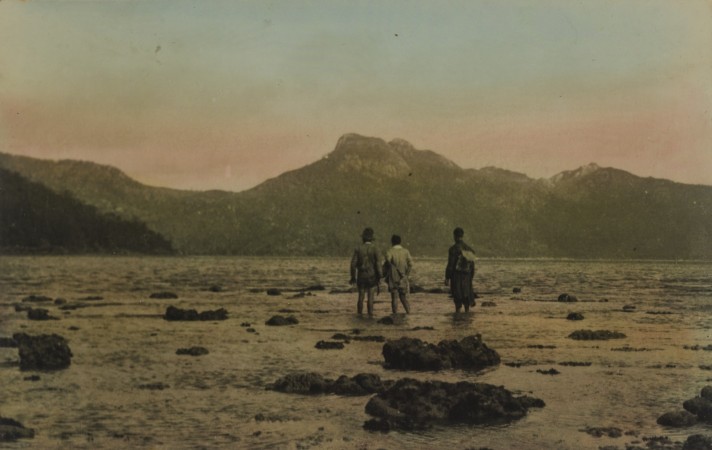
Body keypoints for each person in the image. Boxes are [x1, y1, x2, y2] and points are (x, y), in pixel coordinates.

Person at [350, 227, 382, 315]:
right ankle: (370, 316)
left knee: (361, 296)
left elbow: (353, 264)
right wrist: (380, 277)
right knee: (370, 297)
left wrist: (353, 277)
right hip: (372, 276)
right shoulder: (376, 249)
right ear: (372, 238)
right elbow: (378, 265)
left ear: (363, 238)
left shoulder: (358, 249)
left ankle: (359, 315)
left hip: (361, 276)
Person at [445, 227, 476, 313]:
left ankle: (457, 320)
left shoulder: (453, 249)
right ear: (462, 236)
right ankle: (466, 319)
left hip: (456, 277)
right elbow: (472, 266)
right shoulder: (469, 249)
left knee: (457, 301)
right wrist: (471, 277)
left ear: (454, 236)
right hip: (467, 277)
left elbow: (450, 265)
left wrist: (447, 277)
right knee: (466, 300)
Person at [384, 234, 412, 314]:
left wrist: (390, 270)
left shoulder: (390, 251)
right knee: (403, 297)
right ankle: (409, 313)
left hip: (393, 277)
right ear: (400, 242)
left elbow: (388, 262)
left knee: (394, 297)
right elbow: (410, 264)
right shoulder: (406, 251)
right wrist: (406, 275)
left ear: (392, 242)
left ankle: (395, 314)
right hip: (403, 277)